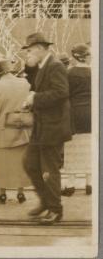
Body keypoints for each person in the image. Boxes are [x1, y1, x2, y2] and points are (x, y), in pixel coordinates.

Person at [22, 32, 72, 225]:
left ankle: (55, 210)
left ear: (42, 49)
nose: (27, 54)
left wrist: (35, 98)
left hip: (52, 127)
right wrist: (32, 102)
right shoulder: (44, 66)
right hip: (42, 126)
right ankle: (46, 201)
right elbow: (46, 91)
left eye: (30, 50)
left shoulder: (55, 66)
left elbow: (61, 92)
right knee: (30, 164)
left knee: (49, 169)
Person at [0, 59, 31, 204]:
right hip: (22, 128)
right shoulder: (25, 84)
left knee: (2, 163)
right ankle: (21, 193)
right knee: (21, 161)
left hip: (2, 129)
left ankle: (2, 193)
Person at [61, 43, 91, 196]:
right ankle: (89, 183)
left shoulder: (69, 73)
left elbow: (64, 94)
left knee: (72, 148)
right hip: (91, 112)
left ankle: (70, 185)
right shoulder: (94, 71)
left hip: (74, 112)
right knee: (89, 147)